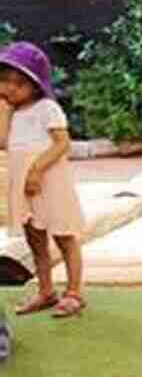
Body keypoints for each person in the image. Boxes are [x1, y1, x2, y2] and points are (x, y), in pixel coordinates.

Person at [0, 42, 87, 318]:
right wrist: (4, 112)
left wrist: (36, 170)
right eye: (4, 81)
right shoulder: (12, 112)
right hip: (23, 184)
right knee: (34, 238)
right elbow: (3, 143)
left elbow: (62, 144)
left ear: (36, 86)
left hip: (48, 180)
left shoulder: (47, 108)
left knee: (64, 236)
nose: (9, 88)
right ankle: (46, 291)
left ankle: (73, 293)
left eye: (19, 84)